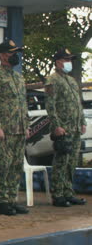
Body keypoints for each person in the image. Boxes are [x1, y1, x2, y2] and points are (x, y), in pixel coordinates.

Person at [0, 40, 29, 216]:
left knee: (16, 166)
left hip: (19, 129)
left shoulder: (18, 77)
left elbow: (23, 104)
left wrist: (26, 126)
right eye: (12, 53)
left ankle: (12, 199)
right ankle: (2, 202)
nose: (16, 56)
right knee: (3, 166)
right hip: (4, 130)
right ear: (3, 55)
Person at [45, 48, 87, 207]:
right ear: (58, 62)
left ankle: (68, 192)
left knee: (72, 162)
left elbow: (78, 103)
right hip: (63, 128)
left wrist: (82, 121)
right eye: (66, 59)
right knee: (61, 161)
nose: (69, 62)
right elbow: (50, 105)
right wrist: (56, 125)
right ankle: (58, 194)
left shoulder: (71, 80)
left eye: (70, 59)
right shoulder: (53, 80)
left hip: (75, 127)